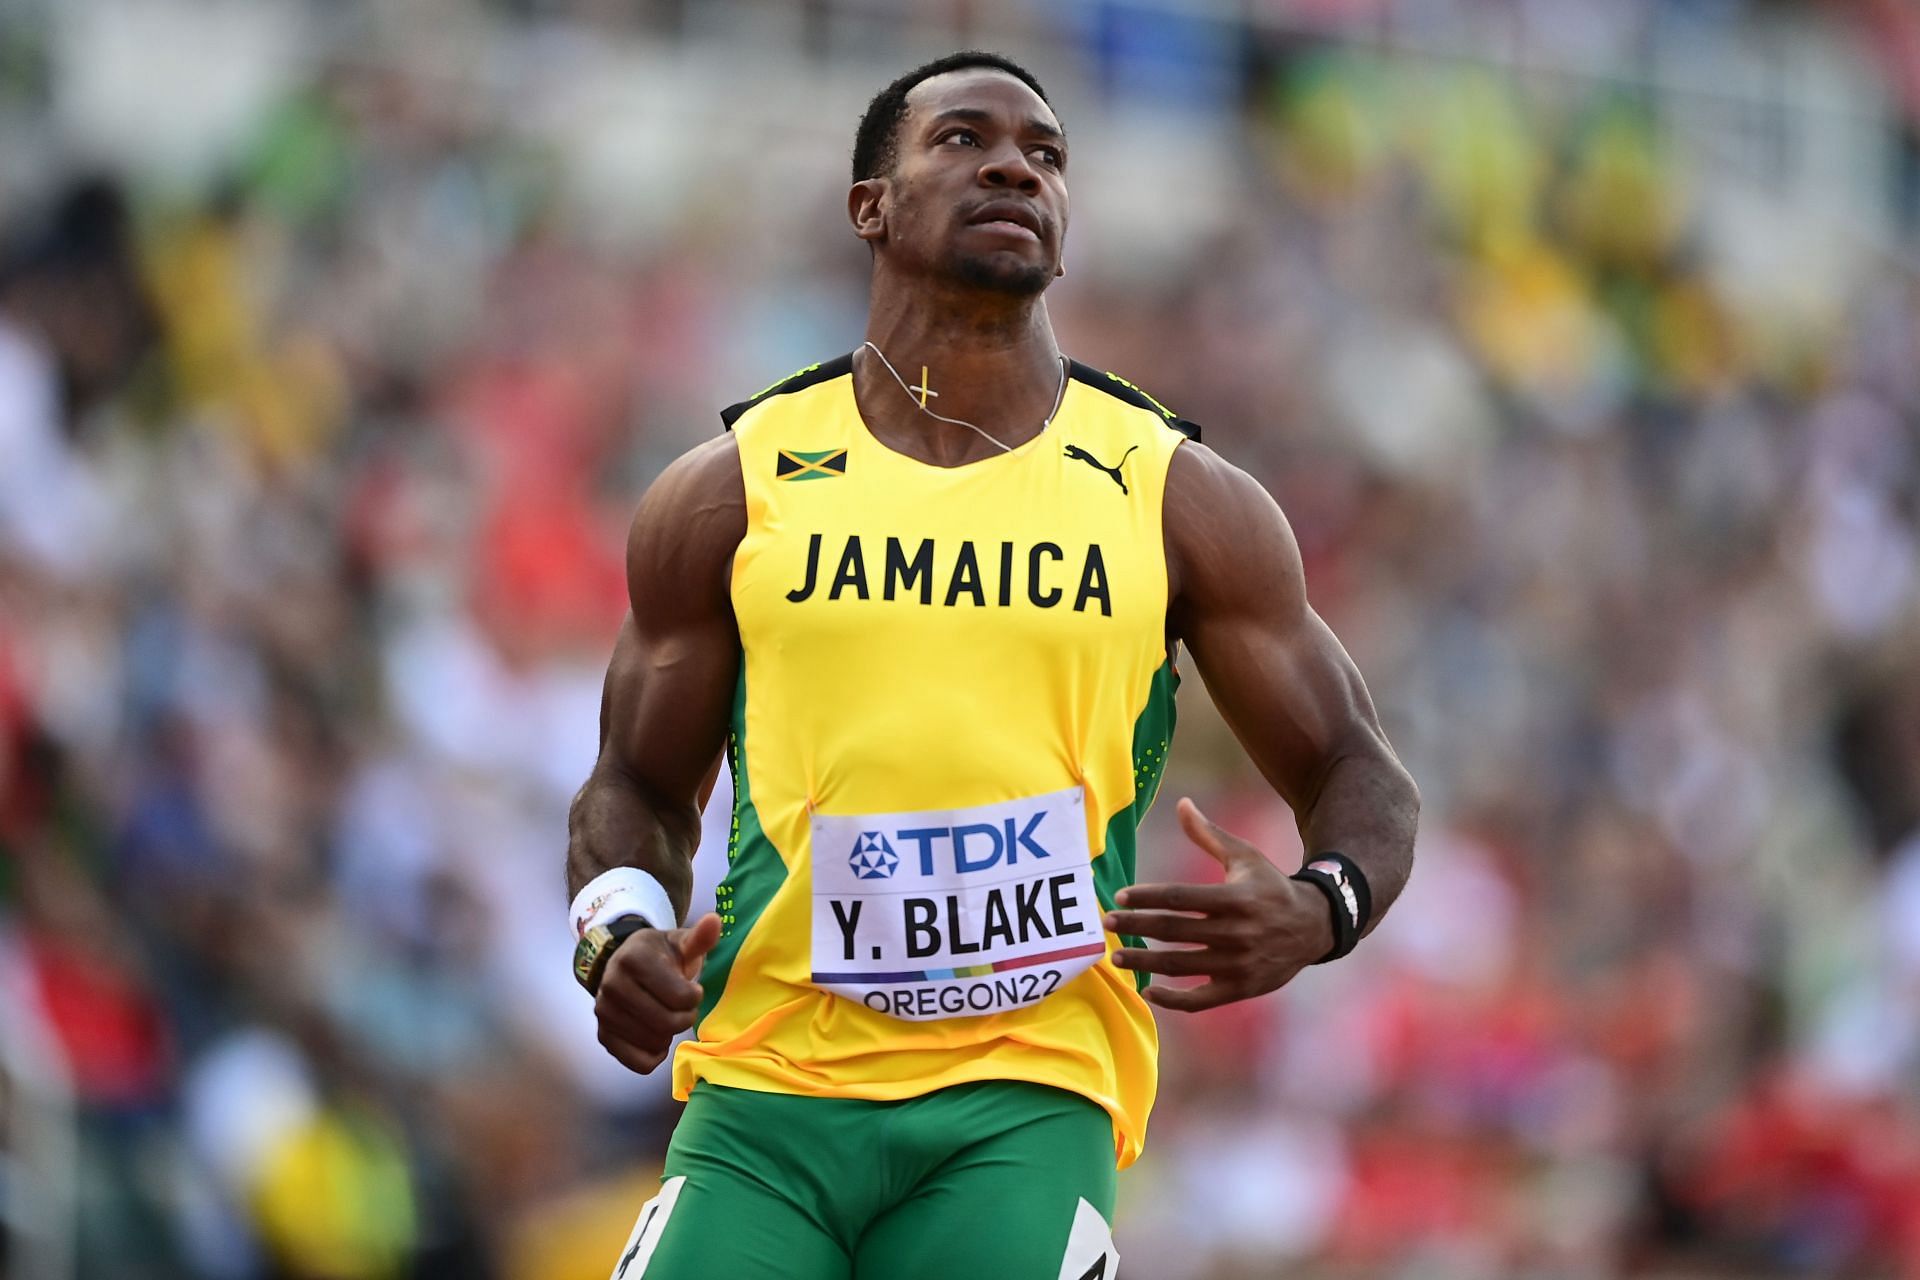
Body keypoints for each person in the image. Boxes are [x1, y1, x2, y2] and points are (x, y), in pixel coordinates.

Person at [564, 50, 1419, 1279]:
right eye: (963, 139)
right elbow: (632, 787)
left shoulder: (1173, 493)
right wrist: (620, 928)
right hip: (766, 1092)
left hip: (1024, 1091)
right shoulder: (733, 490)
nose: (1016, 163)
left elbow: (1359, 765)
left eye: (1048, 154)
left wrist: (1321, 904)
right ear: (873, 204)